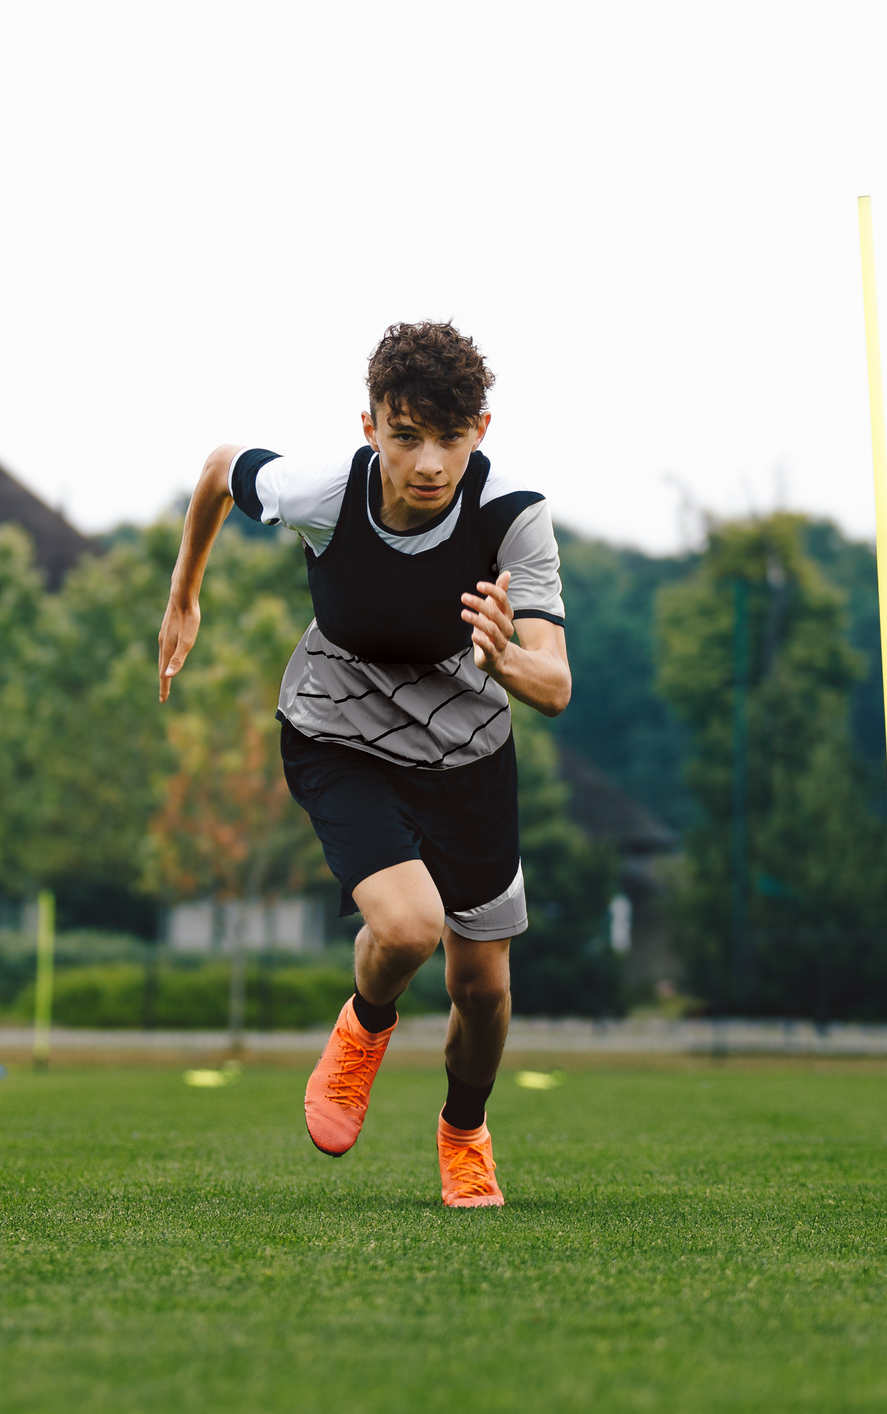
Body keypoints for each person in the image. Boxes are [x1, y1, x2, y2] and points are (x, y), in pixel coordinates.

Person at [157, 322, 570, 1208]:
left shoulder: (512, 519)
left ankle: (464, 1130)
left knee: (483, 988)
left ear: (481, 431)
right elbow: (217, 469)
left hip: (465, 751)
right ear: (370, 424)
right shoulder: (323, 493)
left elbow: (556, 683)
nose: (427, 461)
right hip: (336, 731)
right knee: (410, 925)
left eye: (449, 438)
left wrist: (503, 661)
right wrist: (184, 591)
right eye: (405, 434)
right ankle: (364, 1027)